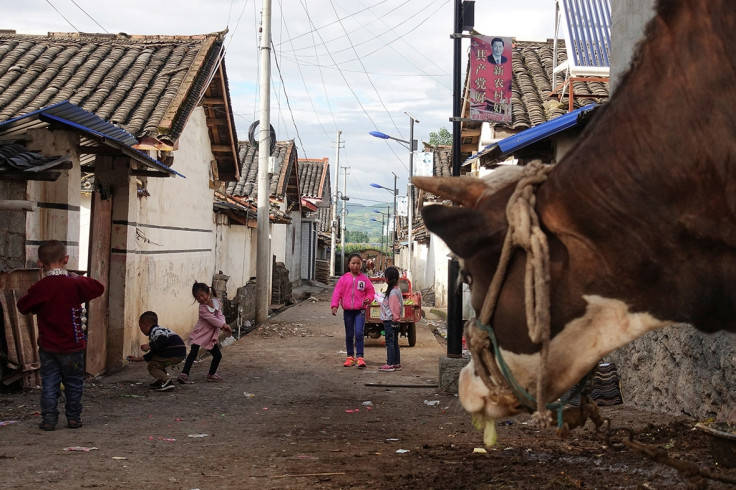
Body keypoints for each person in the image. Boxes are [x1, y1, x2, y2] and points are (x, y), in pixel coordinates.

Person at [16, 240, 105, 431]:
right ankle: (73, 418)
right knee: (73, 384)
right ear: (66, 259)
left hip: (49, 348)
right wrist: (75, 276)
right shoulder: (74, 284)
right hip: (74, 347)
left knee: (49, 384)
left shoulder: (40, 288)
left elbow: (23, 306)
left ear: (40, 263)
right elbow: (98, 287)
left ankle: (49, 420)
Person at [178, 281, 232, 383]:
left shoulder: (217, 302)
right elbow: (212, 319)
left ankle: (211, 374)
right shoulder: (202, 308)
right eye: (198, 298)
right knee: (193, 353)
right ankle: (184, 374)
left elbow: (220, 315)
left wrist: (223, 325)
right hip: (200, 333)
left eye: (202, 295)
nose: (201, 299)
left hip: (210, 335)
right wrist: (223, 325)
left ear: (208, 293)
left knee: (217, 355)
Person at [331, 253, 375, 368]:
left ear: (362, 265)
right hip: (348, 311)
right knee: (349, 334)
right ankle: (350, 357)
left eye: (358, 263)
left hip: (360, 310)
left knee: (359, 333)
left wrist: (368, 299)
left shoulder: (364, 279)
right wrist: (334, 305)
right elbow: (337, 293)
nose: (356, 266)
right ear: (349, 264)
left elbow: (371, 292)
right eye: (353, 263)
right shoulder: (343, 279)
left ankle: (360, 357)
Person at [128, 311, 186, 392]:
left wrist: (149, 346)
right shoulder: (161, 330)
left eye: (141, 327)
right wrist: (136, 359)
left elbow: (164, 340)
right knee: (156, 362)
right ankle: (161, 380)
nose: (141, 330)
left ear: (146, 325)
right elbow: (152, 355)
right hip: (180, 353)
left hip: (173, 353)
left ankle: (167, 380)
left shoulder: (155, 331)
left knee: (153, 366)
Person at [378, 266, 403, 372]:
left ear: (387, 278)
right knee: (394, 342)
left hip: (390, 321)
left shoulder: (392, 293)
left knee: (390, 343)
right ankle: (396, 362)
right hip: (393, 321)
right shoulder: (396, 290)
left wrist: (394, 320)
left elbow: (394, 308)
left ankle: (390, 363)